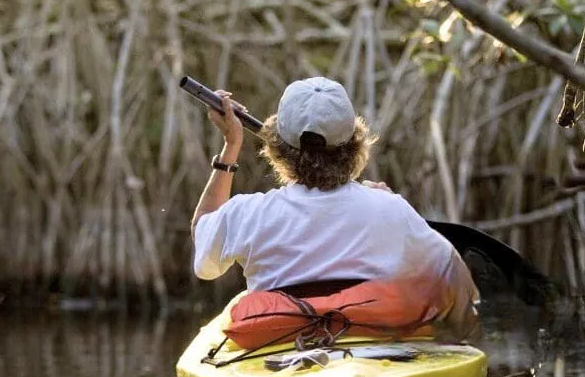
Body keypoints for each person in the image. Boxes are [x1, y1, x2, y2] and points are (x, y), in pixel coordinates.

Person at [190, 77, 481, 343]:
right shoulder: (390, 208)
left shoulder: (249, 213)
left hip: (279, 349)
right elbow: (450, 275)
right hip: (375, 349)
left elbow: (204, 252)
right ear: (355, 144)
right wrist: (390, 205)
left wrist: (231, 145)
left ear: (277, 147)